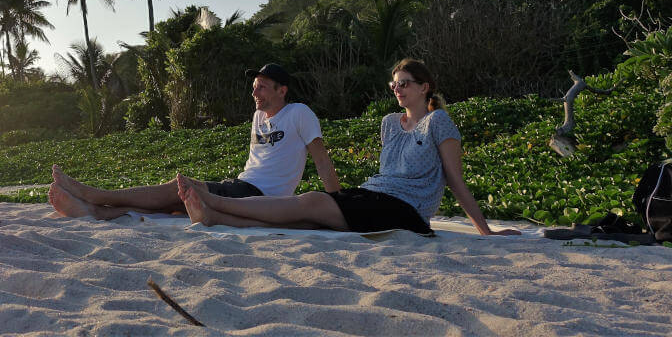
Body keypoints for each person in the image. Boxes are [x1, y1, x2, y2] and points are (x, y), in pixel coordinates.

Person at [177, 58, 520, 236]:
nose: (398, 89)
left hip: (406, 210)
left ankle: (215, 201)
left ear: (424, 87)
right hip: (374, 194)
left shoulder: (439, 121)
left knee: (311, 203)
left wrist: (484, 229)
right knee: (311, 221)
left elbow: (455, 180)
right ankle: (215, 216)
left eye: (405, 84)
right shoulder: (389, 123)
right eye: (394, 84)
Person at [48, 63, 342, 220]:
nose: (255, 93)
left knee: (178, 190)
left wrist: (340, 205)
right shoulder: (257, 118)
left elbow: (322, 161)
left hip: (261, 197)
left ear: (282, 90)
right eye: (254, 87)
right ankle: (96, 211)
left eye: (262, 87)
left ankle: (96, 196)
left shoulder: (298, 113)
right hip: (240, 186)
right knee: (174, 203)